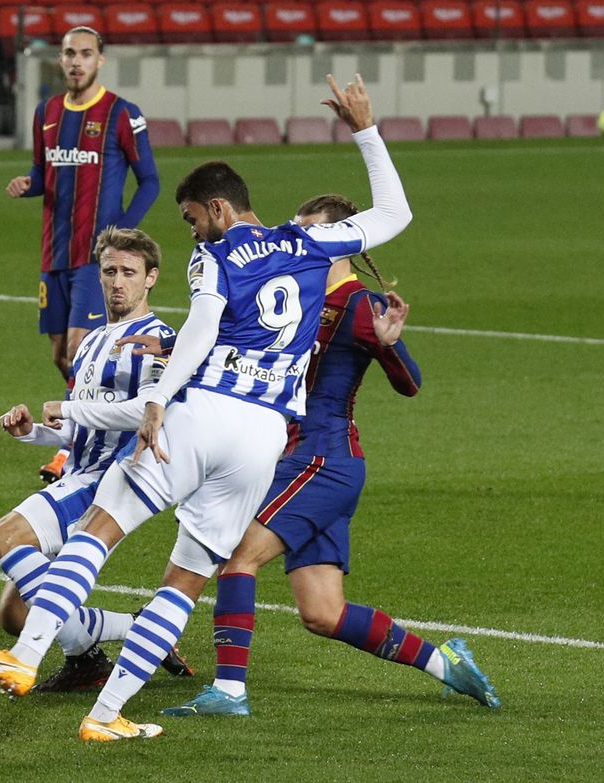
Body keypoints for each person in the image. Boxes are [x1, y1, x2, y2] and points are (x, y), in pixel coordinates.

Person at [0, 74, 414, 741]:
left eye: (192, 218)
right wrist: (365, 128)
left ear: (217, 210)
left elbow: (198, 330)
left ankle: (24, 658)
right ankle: (106, 716)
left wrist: (161, 397)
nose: (192, 230)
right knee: (185, 579)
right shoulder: (311, 244)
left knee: (100, 529)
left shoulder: (216, 254)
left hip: (207, 410)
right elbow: (396, 215)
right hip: (262, 439)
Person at [114, 195, 500, 716]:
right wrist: (174, 351)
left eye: (309, 231)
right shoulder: (298, 293)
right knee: (323, 612)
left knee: (235, 554)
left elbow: (411, 383)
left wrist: (388, 344)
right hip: (304, 460)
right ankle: (447, 664)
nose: (296, 240)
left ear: (343, 241)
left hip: (321, 459)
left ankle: (229, 691)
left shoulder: (357, 304)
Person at [0, 226, 191, 692]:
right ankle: (132, 633)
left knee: (4, 536)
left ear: (151, 278)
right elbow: (79, 427)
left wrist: (70, 407)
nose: (118, 282)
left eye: (129, 272)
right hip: (76, 472)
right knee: (15, 615)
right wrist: (34, 432)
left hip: (108, 483)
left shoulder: (161, 344)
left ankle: (90, 655)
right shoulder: (93, 342)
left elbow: (148, 413)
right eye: (109, 271)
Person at [7, 26, 161, 483]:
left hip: (94, 259)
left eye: (85, 54)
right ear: (60, 59)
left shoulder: (120, 113)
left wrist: (124, 234)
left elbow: (149, 179)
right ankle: (94, 429)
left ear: (101, 60)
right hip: (54, 251)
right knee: (61, 354)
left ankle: (71, 449)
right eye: (69, 53)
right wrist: (27, 185)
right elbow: (42, 171)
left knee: (79, 351)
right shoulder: (47, 112)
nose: (76, 61)